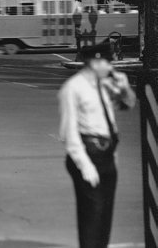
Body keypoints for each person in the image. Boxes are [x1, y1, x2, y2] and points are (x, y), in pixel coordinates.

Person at [58, 42, 136, 248]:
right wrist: (85, 166)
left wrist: (124, 86)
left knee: (105, 214)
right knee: (92, 215)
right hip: (88, 153)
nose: (111, 67)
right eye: (107, 63)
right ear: (94, 62)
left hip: (107, 155)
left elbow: (128, 105)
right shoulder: (73, 88)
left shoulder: (105, 85)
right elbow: (69, 131)